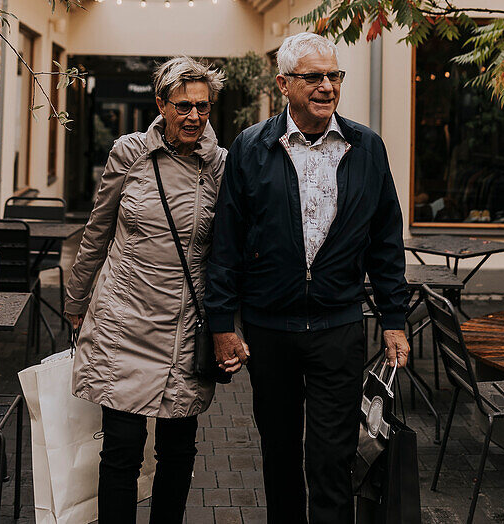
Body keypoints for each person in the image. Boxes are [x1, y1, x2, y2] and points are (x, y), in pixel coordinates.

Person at [205, 31, 410, 524]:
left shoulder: (366, 148)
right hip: (269, 329)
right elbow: (226, 244)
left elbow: (385, 241)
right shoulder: (252, 148)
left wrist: (394, 319)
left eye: (333, 75)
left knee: (332, 458)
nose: (326, 86)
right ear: (283, 84)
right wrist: (221, 324)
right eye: (312, 76)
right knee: (278, 454)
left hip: (337, 326)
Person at [65, 56, 235, 524]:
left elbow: (230, 252)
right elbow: (97, 231)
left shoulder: (222, 166)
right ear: (160, 104)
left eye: (203, 106)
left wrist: (230, 326)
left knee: (178, 449)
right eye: (183, 106)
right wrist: (76, 302)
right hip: (124, 317)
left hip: (184, 323)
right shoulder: (128, 153)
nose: (194, 117)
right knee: (121, 448)